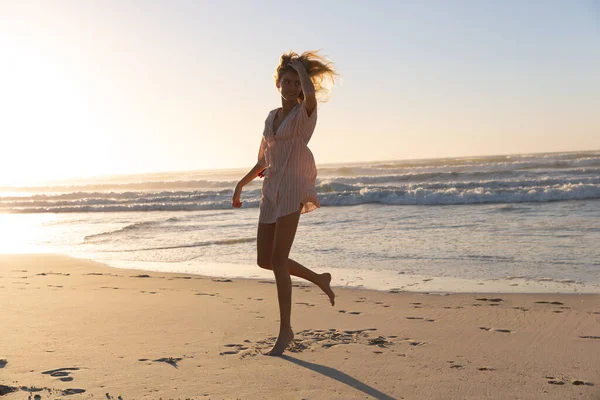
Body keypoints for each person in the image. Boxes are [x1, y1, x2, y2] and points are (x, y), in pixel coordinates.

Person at [232, 50, 337, 356]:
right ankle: (318, 278)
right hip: (271, 193)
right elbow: (263, 159)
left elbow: (310, 93)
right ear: (277, 84)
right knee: (264, 260)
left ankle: (285, 330)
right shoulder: (271, 117)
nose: (292, 87)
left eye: (296, 82)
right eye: (287, 81)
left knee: (279, 261)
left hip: (291, 190)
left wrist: (298, 67)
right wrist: (242, 183)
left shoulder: (305, 114)